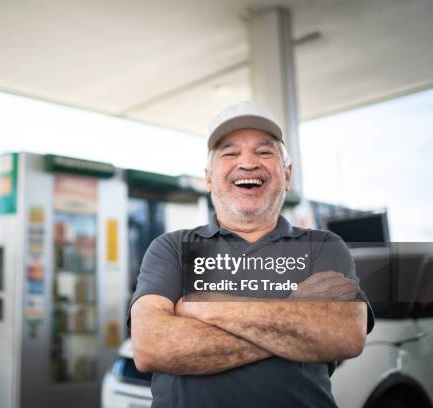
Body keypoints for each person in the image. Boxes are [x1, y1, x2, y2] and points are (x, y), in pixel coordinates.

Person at [129, 101, 375, 408]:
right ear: (208, 178)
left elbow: (345, 333)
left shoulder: (323, 246)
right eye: (230, 153)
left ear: (287, 175)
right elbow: (151, 346)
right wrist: (297, 317)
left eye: (264, 151)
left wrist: (207, 306)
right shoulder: (171, 248)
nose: (247, 162)